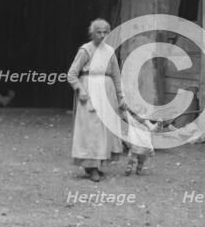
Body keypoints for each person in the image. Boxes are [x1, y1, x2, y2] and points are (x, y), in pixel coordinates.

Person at [67, 19, 126, 182]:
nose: (102, 35)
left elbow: (116, 75)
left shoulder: (109, 51)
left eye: (105, 32)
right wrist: (81, 90)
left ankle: (96, 164)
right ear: (92, 33)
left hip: (107, 93)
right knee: (91, 129)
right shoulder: (85, 50)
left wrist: (120, 96)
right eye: (98, 32)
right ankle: (90, 167)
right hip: (90, 90)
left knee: (103, 129)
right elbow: (71, 74)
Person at [123, 108, 160, 176]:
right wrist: (158, 122)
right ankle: (134, 168)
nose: (142, 116)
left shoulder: (141, 121)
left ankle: (134, 168)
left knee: (137, 156)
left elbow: (153, 128)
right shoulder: (138, 121)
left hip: (139, 144)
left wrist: (158, 123)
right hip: (139, 144)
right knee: (136, 156)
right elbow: (126, 115)